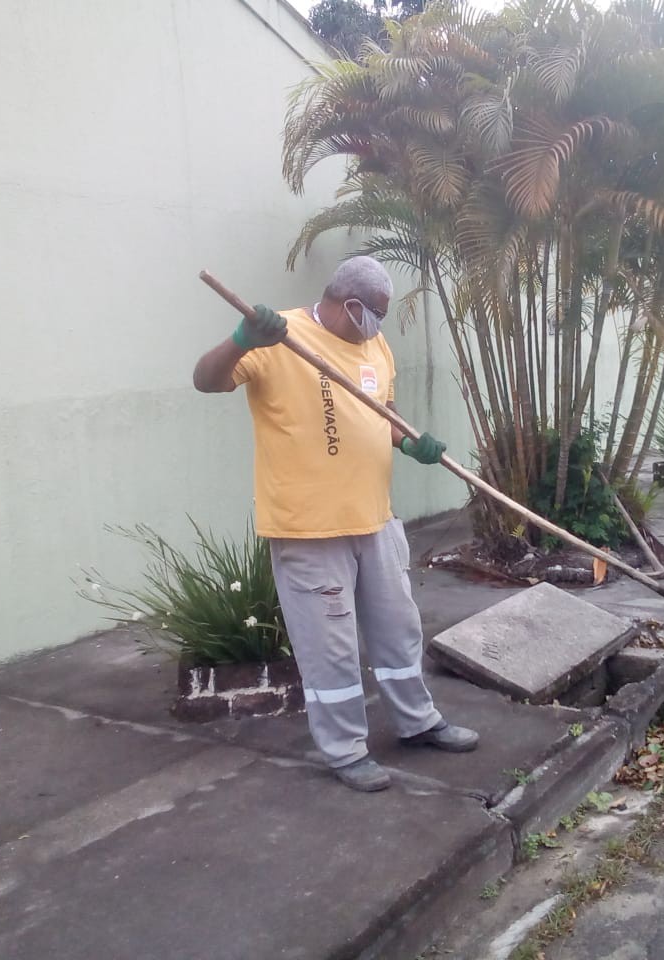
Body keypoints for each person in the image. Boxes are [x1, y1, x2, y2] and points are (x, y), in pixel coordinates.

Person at [192, 256, 479, 792]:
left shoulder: (377, 346)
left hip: (375, 519)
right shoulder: (278, 335)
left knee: (399, 631)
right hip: (308, 530)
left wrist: (411, 441)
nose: (380, 324)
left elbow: (384, 413)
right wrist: (241, 339)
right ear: (350, 304)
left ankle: (418, 722)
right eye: (377, 313)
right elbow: (205, 381)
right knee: (331, 648)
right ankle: (345, 749)